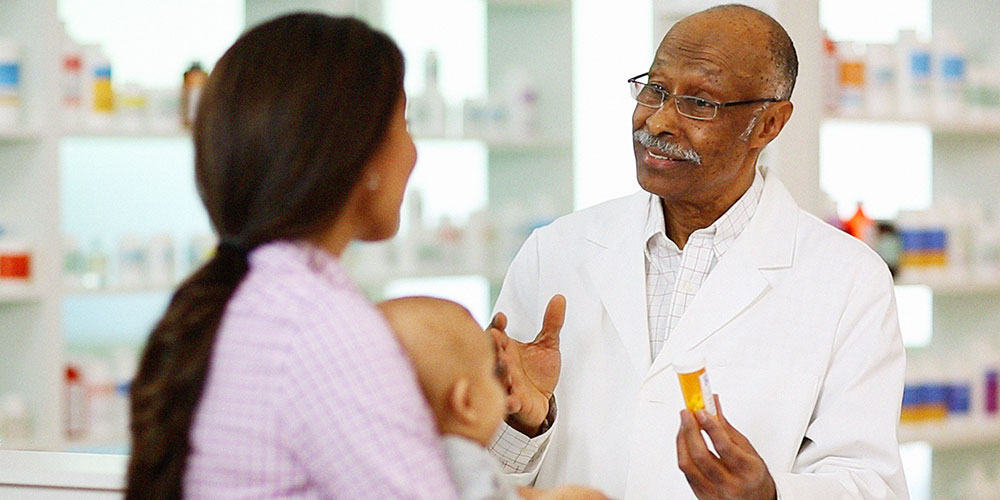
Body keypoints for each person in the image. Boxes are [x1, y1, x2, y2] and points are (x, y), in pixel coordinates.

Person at [486, 4, 908, 500]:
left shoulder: (848, 280)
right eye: (655, 89)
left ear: (769, 123)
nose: (659, 120)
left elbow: (868, 483)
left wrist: (771, 496)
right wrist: (522, 427)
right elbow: (475, 471)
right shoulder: (556, 251)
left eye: (700, 102)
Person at [126, 14, 461, 499]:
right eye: (403, 124)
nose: (414, 152)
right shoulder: (319, 324)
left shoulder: (252, 295)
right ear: (361, 155)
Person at [377, 297, 610, 500]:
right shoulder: (460, 465)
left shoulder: (398, 458)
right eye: (494, 372)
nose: (507, 385)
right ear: (466, 403)